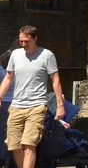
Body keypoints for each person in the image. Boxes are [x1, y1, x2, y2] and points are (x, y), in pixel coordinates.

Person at [0, 26, 64, 168]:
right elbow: (8, 78)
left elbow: (55, 80)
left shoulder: (46, 55)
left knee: (29, 145)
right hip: (16, 106)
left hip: (37, 105)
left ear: (35, 39)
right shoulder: (16, 54)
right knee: (14, 145)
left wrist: (60, 106)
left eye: (27, 41)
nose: (23, 44)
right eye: (21, 41)